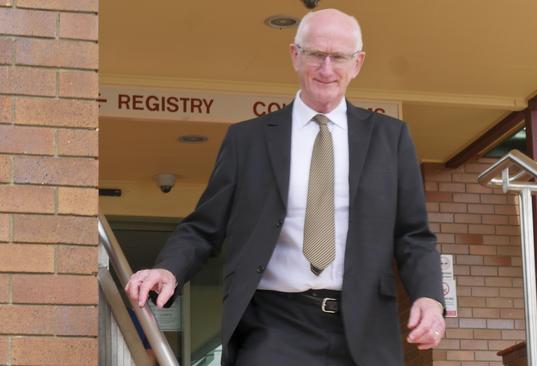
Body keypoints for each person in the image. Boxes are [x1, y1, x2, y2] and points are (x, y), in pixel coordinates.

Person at [126, 8, 446, 366]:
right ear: (295, 55)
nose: (326, 69)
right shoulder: (247, 140)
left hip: (366, 327)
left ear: (357, 63)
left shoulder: (391, 139)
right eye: (315, 55)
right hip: (275, 325)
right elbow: (204, 226)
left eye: (338, 57)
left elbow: (413, 235)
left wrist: (429, 296)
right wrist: (168, 269)